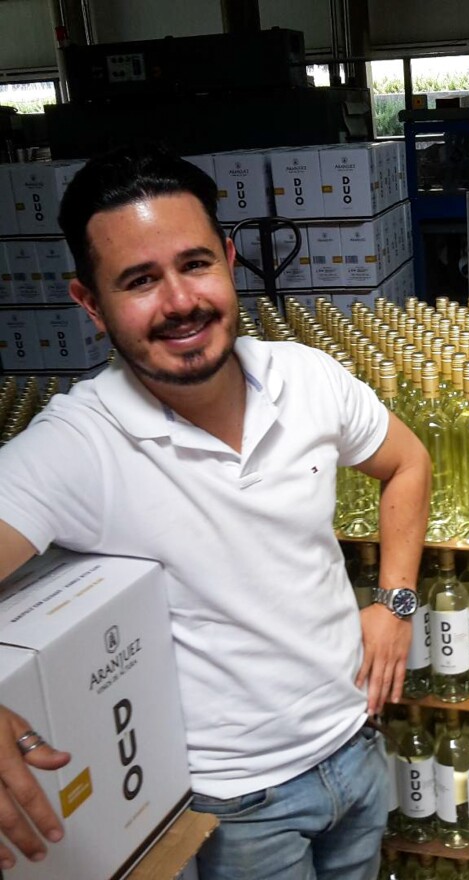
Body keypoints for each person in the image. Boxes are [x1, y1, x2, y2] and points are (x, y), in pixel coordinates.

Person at [0, 144, 431, 880]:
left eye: (194, 264)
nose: (179, 302)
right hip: (239, 805)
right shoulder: (78, 446)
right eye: (139, 281)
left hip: (356, 747)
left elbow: (407, 463)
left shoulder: (305, 378)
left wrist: (393, 602)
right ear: (89, 304)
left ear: (228, 260)